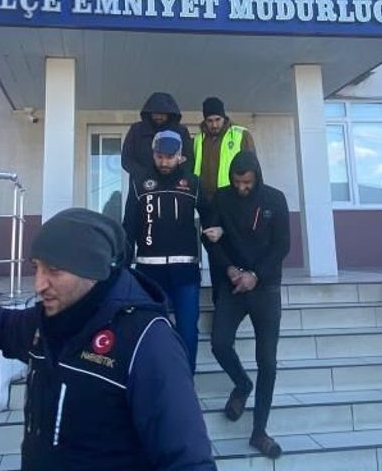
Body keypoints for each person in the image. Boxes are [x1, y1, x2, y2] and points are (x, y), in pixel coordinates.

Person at [0, 208, 216, 471]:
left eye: (54, 271)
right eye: (36, 268)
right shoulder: (44, 321)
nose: (39, 285)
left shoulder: (148, 341)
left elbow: (188, 459)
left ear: (93, 270)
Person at [201, 151, 290, 459]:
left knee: (267, 361)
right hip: (233, 285)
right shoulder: (221, 198)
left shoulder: (275, 199)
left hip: (266, 287)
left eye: (247, 182)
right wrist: (229, 269)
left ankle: (259, 432)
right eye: (237, 182)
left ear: (257, 177)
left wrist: (256, 275)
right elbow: (210, 239)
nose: (242, 187)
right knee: (219, 344)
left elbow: (282, 244)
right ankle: (242, 384)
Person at [123, 129, 213, 372]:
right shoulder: (139, 182)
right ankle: (155, 382)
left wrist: (216, 230)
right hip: (148, 274)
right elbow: (128, 227)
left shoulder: (193, 182)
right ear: (153, 154)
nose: (164, 162)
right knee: (151, 330)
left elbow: (210, 218)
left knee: (187, 330)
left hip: (186, 272)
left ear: (180, 155)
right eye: (160, 156)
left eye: (170, 157)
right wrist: (122, 269)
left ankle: (185, 382)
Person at [192, 96, 256, 199]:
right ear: (205, 121)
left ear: (224, 117)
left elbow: (253, 168)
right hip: (204, 198)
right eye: (210, 121)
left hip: (232, 195)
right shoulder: (198, 139)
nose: (214, 125)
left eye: (218, 119)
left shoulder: (241, 135)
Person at [121, 92, 194, 180]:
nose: (159, 117)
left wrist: (173, 177)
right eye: (155, 113)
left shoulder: (181, 131)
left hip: (173, 183)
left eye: (162, 114)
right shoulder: (137, 130)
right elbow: (127, 159)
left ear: (169, 114)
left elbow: (187, 160)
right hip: (142, 183)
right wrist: (145, 175)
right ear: (149, 113)